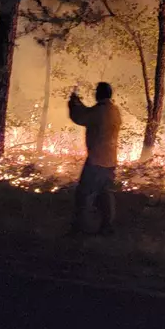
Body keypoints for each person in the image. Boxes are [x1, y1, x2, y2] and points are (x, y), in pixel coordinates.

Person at [68, 82, 122, 236]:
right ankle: (107, 227)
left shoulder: (100, 111)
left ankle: (79, 228)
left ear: (100, 94)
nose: (94, 94)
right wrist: (79, 103)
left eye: (96, 92)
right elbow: (89, 113)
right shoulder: (114, 110)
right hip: (111, 161)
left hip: (96, 160)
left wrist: (73, 103)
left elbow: (81, 117)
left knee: (83, 194)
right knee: (106, 194)